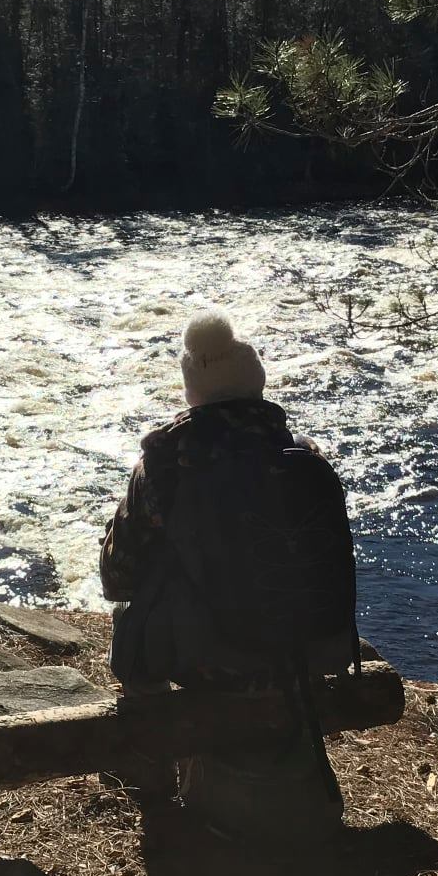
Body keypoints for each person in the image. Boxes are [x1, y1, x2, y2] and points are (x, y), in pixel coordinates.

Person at [98, 308, 358, 837]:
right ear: (256, 385)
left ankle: (151, 775)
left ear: (194, 389)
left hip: (213, 656)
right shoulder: (303, 455)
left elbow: (117, 576)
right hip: (306, 649)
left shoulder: (165, 463)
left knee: (129, 616)